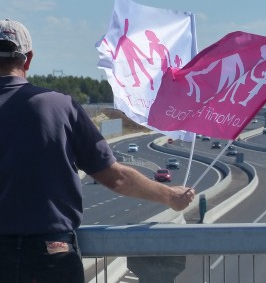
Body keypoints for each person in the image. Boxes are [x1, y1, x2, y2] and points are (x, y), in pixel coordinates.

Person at [0, 19, 196, 283]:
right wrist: (170, 196)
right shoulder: (59, 106)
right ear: (28, 59)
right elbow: (116, 178)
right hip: (50, 255)